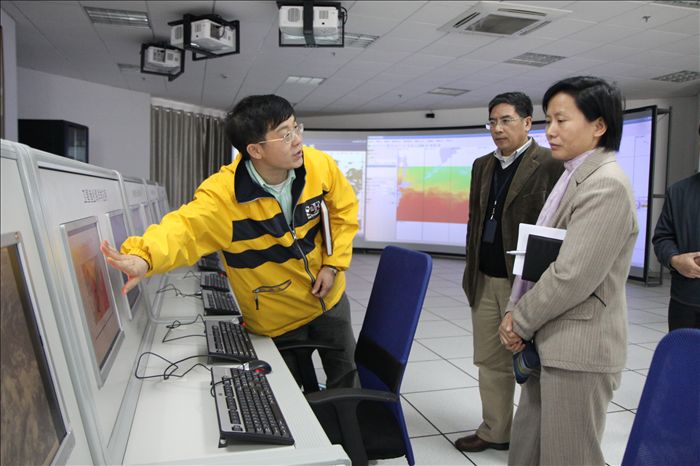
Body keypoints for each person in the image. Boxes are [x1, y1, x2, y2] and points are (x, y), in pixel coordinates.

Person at [100, 94, 360, 389]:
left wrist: (333, 265)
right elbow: (185, 228)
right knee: (290, 396)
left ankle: (351, 421)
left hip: (330, 300)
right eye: (285, 134)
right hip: (276, 319)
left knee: (347, 379)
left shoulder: (318, 165)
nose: (297, 140)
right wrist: (144, 257)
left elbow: (344, 212)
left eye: (296, 128)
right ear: (255, 150)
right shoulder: (224, 195)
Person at [499, 76, 638, 466]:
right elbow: (542, 256)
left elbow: (571, 275)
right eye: (549, 120)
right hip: (551, 340)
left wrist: (518, 320)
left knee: (567, 456)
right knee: (529, 451)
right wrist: (516, 311)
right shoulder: (573, 175)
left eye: (562, 120)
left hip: (579, 350)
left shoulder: (606, 186)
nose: (551, 131)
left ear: (598, 126)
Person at [455, 92, 563, 453]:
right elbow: (475, 221)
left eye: (506, 120)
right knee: (490, 360)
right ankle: (496, 430)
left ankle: (538, 440)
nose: (497, 129)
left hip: (528, 284)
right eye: (493, 121)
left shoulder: (549, 164)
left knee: (534, 363)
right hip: (485, 278)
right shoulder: (482, 165)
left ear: (528, 123)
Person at [652, 172, 700, 330]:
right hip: (686, 301)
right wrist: (675, 260)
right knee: (683, 346)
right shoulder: (678, 191)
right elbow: (662, 238)